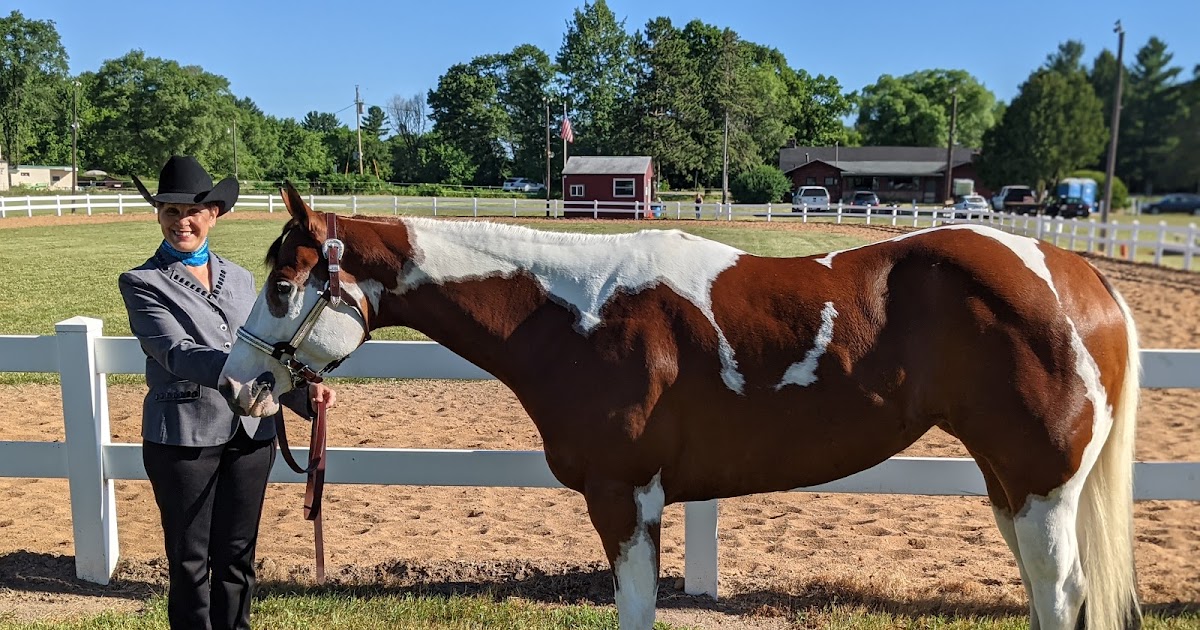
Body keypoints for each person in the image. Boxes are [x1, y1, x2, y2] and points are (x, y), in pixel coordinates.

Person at [119, 155, 335, 630]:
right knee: (190, 565)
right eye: (171, 211)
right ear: (158, 215)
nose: (183, 221)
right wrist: (243, 375)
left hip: (252, 434)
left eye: (193, 211)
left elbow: (267, 352)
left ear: (214, 213)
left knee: (238, 560)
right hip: (183, 437)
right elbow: (175, 352)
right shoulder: (142, 283)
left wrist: (303, 394)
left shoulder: (239, 278)